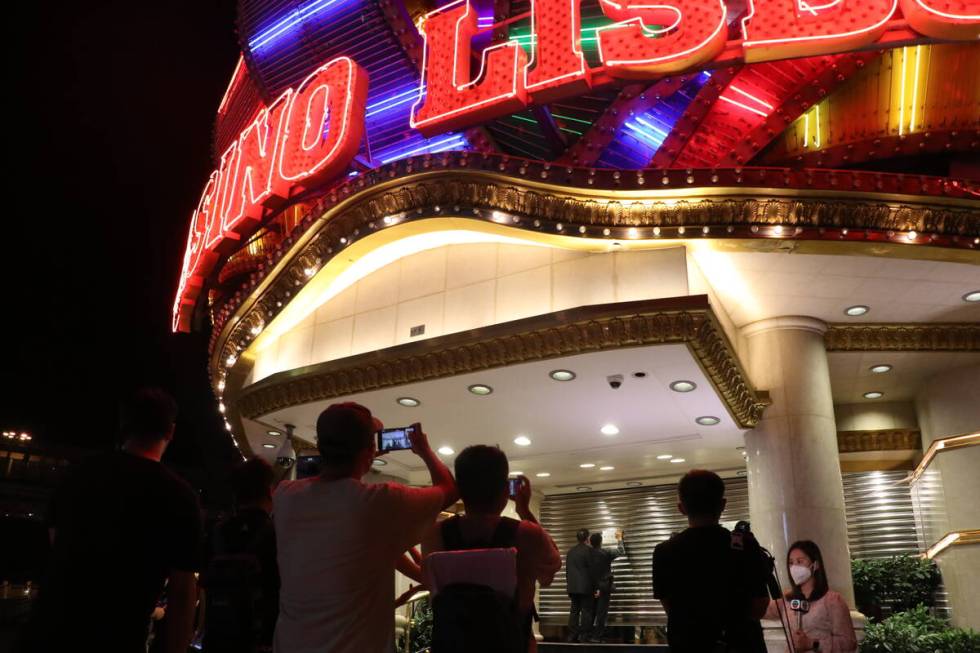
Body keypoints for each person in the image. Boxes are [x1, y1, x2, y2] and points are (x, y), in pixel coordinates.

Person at [23, 387, 203, 653]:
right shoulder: (180, 496)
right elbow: (182, 591)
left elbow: (55, 541)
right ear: (171, 431)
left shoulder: (79, 475)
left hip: (45, 631)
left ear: (123, 426)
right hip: (118, 637)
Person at [272, 402, 458, 653]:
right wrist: (424, 450)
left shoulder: (286, 497)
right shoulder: (380, 502)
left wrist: (364, 455)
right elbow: (448, 488)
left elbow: (328, 486)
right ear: (368, 450)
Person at [421, 445, 561, 653]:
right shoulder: (527, 534)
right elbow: (549, 573)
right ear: (505, 489)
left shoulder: (435, 534)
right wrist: (524, 511)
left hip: (453, 644)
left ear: (460, 489)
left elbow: (429, 585)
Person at [652, 470, 770, 653]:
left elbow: (671, 610)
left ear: (681, 508)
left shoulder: (664, 552)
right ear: (723, 504)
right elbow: (759, 607)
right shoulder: (745, 545)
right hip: (741, 645)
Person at [203, 457, 280, 653]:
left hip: (217, 636)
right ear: (269, 492)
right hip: (260, 641)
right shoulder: (276, 533)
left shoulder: (217, 531)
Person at [765, 540, 856, 653]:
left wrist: (813, 643)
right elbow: (759, 609)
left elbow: (848, 643)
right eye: (791, 562)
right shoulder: (786, 600)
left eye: (800, 561)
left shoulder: (832, 600)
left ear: (815, 565)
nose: (794, 567)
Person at [588, 529, 626, 642]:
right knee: (601, 613)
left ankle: (588, 635)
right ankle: (596, 637)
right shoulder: (606, 552)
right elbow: (621, 551)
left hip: (590, 587)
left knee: (590, 612)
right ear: (601, 542)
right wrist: (619, 538)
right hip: (604, 586)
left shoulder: (586, 555)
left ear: (590, 542)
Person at [565, 528, 596, 642]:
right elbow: (592, 570)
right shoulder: (590, 551)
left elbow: (568, 571)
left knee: (574, 611)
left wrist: (569, 585)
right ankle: (584, 635)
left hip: (573, 587)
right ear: (587, 538)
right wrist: (596, 586)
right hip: (586, 587)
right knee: (586, 611)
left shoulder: (570, 552)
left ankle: (572, 635)